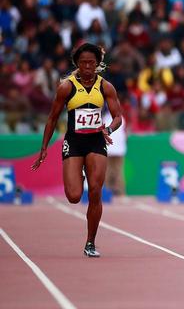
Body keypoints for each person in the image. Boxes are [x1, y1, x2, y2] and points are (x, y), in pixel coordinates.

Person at [31, 43, 123, 258]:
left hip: (96, 142)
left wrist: (108, 128)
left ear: (98, 63)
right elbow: (52, 117)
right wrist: (44, 147)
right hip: (73, 142)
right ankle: (79, 174)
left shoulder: (106, 87)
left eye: (91, 62)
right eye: (83, 63)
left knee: (95, 192)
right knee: (73, 196)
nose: (88, 66)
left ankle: (90, 242)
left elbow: (118, 116)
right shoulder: (66, 87)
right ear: (77, 64)